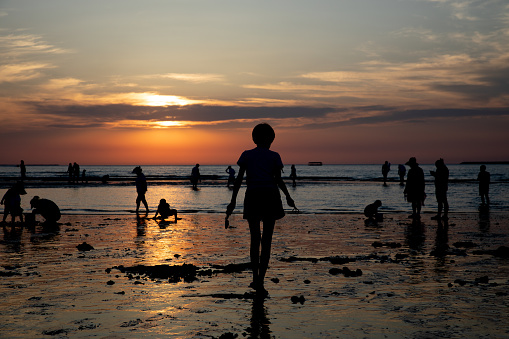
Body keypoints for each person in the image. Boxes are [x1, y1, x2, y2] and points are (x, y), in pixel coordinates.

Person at [226, 123, 296, 296]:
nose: (272, 141)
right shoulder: (274, 156)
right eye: (271, 138)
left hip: (253, 196)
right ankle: (260, 281)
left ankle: (256, 279)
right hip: (270, 196)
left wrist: (233, 201)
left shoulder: (247, 155)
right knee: (266, 242)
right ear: (269, 139)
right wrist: (287, 196)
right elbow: (278, 180)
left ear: (254, 138)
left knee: (255, 239)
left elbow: (239, 180)